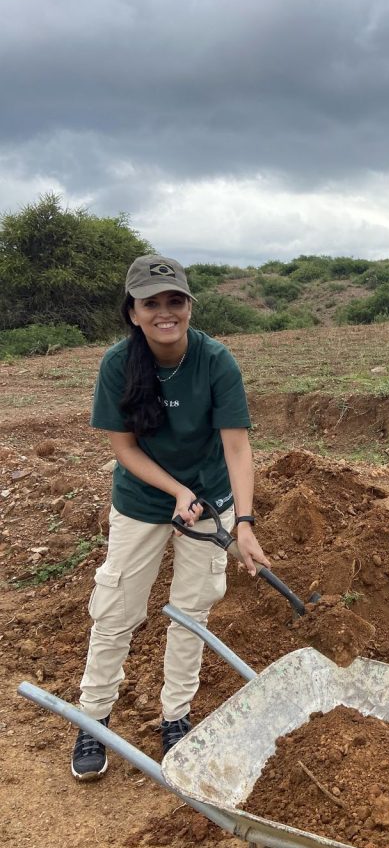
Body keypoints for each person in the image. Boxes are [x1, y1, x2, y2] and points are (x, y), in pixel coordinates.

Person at [71, 254, 270, 781]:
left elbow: (237, 446)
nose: (165, 312)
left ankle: (175, 717)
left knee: (190, 612)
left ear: (189, 306)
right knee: (116, 609)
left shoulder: (215, 360)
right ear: (133, 312)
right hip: (141, 502)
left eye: (174, 301)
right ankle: (93, 719)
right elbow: (125, 449)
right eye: (151, 303)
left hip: (209, 502)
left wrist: (244, 524)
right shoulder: (119, 364)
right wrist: (176, 490)